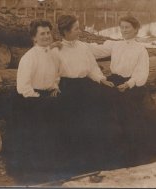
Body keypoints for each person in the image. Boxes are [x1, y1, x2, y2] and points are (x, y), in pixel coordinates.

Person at [87, 15, 156, 165]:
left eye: (127, 28)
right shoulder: (115, 45)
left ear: (136, 29)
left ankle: (132, 154)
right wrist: (69, 45)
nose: (124, 30)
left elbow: (141, 73)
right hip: (114, 81)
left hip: (132, 85)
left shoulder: (140, 49)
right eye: (122, 27)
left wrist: (129, 84)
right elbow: (94, 50)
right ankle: (107, 152)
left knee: (129, 111)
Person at [55, 15, 120, 166]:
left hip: (85, 84)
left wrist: (101, 79)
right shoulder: (57, 49)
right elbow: (54, 73)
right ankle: (80, 157)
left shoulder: (83, 47)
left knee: (106, 99)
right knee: (77, 113)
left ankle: (105, 153)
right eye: (76, 28)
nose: (80, 31)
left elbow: (92, 68)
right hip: (67, 87)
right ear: (66, 31)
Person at [4, 19, 62, 174]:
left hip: (46, 97)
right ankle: (34, 173)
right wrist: (39, 99)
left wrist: (54, 87)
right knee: (35, 136)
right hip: (29, 101)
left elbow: (57, 75)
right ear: (34, 38)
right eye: (42, 34)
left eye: (48, 33)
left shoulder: (53, 55)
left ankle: (51, 168)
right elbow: (23, 86)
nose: (46, 36)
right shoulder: (29, 57)